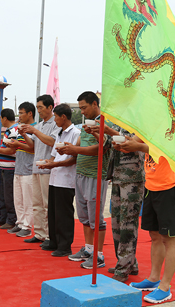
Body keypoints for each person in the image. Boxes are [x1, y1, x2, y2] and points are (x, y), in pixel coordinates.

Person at [119, 136, 175, 304]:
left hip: (169, 187)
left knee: (169, 239)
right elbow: (134, 140)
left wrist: (139, 147)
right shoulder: (147, 121)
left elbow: (169, 149)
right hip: (151, 187)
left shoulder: (171, 122)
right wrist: (125, 142)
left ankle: (165, 286)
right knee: (154, 236)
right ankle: (154, 278)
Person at [57, 91, 112, 269]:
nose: (81, 111)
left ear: (95, 104)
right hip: (81, 173)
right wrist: (68, 148)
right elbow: (80, 144)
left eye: (84, 107)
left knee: (96, 217)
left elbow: (100, 148)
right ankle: (89, 249)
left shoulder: (105, 122)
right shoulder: (84, 124)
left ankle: (99, 255)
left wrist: (74, 150)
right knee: (84, 216)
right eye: (80, 108)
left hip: (95, 175)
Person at [91, 123, 145, 282]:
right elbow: (109, 144)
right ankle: (129, 263)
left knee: (128, 224)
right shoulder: (119, 122)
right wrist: (98, 132)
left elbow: (129, 143)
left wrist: (108, 130)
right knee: (116, 223)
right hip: (117, 177)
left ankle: (123, 267)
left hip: (132, 179)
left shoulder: (140, 122)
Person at [39, 103, 80, 256]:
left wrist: (54, 164)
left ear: (63, 117)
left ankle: (65, 245)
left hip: (66, 179)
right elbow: (54, 154)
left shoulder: (76, 133)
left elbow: (73, 159)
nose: (55, 119)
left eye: (56, 116)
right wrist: (48, 162)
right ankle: (54, 241)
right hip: (55, 177)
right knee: (53, 212)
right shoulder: (59, 133)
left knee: (64, 214)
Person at [21, 94, 61, 244]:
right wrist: (24, 134)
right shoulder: (39, 125)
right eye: (37, 107)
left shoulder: (55, 124)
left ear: (50, 107)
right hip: (36, 167)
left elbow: (53, 142)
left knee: (46, 204)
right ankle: (39, 233)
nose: (39, 111)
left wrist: (35, 131)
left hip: (48, 168)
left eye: (41, 107)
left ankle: (50, 235)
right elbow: (32, 146)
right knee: (36, 203)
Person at [5, 102, 36, 238]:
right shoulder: (20, 129)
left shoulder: (35, 129)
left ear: (30, 113)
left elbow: (33, 148)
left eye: (22, 113)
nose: (19, 116)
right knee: (18, 199)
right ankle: (20, 222)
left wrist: (18, 144)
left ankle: (27, 226)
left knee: (28, 199)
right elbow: (18, 147)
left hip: (29, 168)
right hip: (18, 167)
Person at [0, 108, 18, 229]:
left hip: (11, 167)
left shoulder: (14, 130)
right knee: (3, 194)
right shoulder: (8, 130)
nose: (1, 120)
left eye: (1, 118)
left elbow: (13, 150)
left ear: (4, 118)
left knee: (9, 195)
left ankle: (11, 219)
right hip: (4, 166)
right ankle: (3, 217)